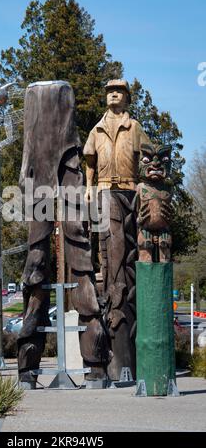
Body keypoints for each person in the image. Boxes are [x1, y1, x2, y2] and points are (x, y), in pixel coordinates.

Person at [83, 79, 152, 380]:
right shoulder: (97, 129)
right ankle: (114, 296)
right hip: (103, 190)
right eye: (110, 90)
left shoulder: (134, 127)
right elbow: (89, 160)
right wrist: (87, 187)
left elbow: (150, 154)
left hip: (129, 190)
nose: (114, 94)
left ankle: (123, 297)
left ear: (126, 98)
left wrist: (145, 182)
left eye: (120, 91)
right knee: (111, 247)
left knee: (127, 249)